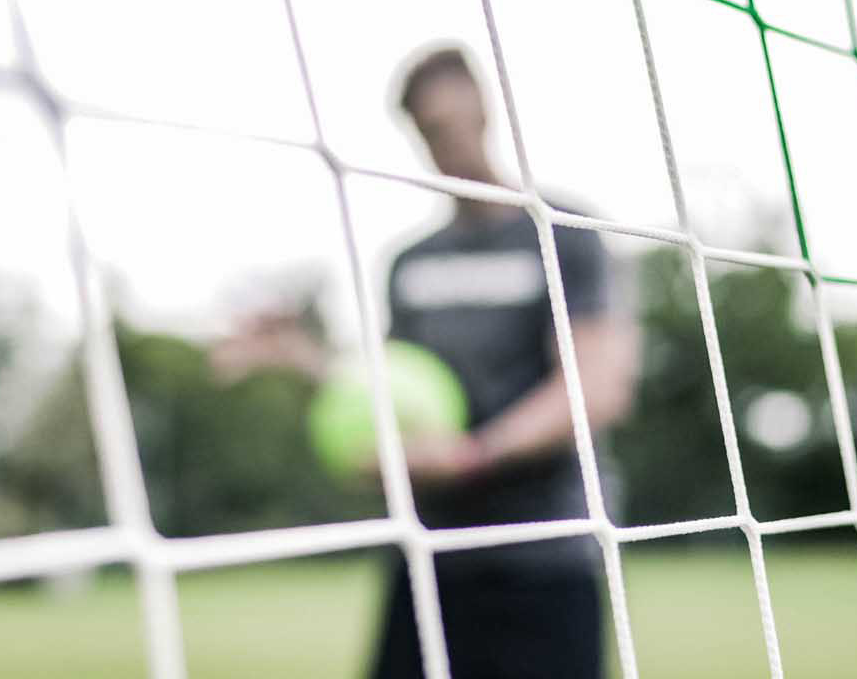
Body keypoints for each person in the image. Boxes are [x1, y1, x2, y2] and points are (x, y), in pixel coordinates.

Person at [211, 45, 639, 679]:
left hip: (544, 560)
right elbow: (397, 390)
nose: (442, 146)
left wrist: (473, 453)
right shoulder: (411, 262)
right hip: (431, 556)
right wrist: (304, 359)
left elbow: (596, 388)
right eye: (425, 132)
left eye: (449, 125)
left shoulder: (561, 230)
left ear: (484, 111)